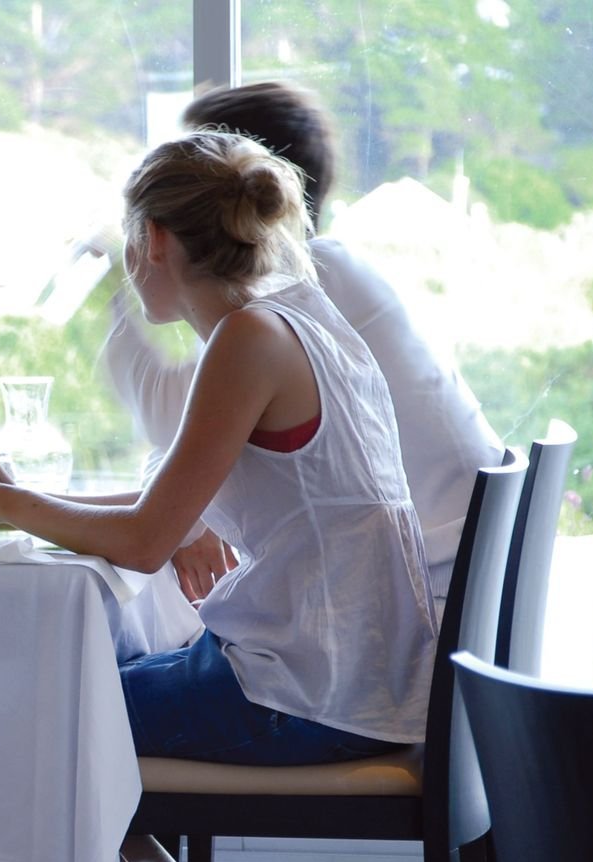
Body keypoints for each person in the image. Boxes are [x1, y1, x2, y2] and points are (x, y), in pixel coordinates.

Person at [0, 130, 438, 862]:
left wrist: (8, 504)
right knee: (60, 716)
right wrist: (16, 499)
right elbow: (166, 503)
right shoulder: (300, 317)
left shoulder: (247, 340)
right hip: (355, 673)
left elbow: (145, 540)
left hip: (307, 691)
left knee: (26, 732)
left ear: (154, 241)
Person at [103, 81, 501, 607]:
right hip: (439, 569)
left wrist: (111, 306)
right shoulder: (305, 285)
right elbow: (196, 445)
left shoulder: (297, 289)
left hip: (424, 585)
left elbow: (179, 426)